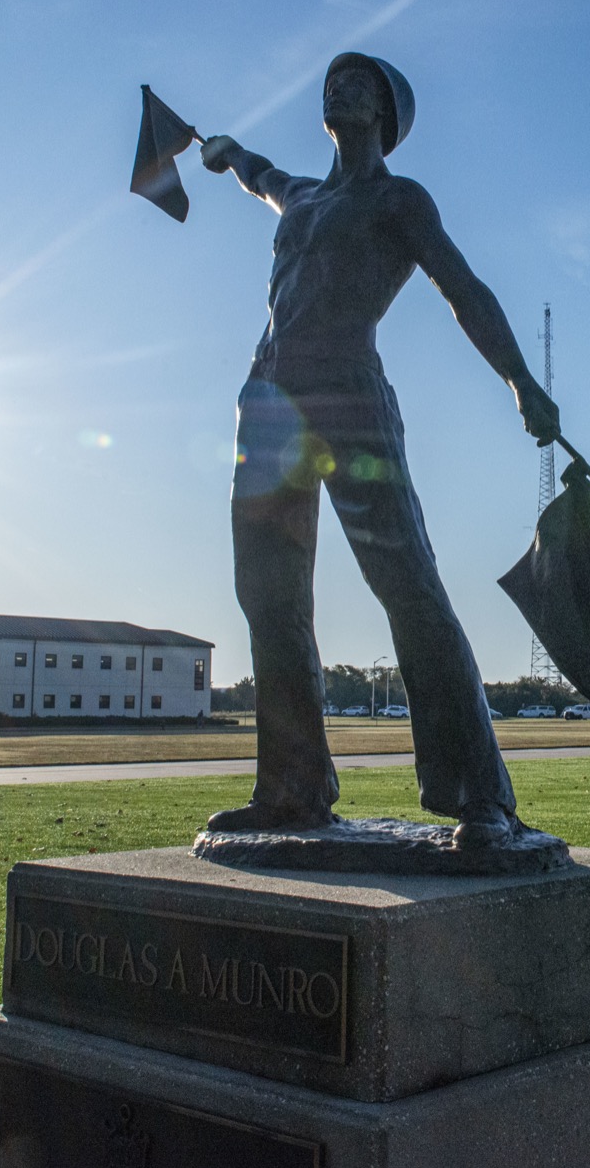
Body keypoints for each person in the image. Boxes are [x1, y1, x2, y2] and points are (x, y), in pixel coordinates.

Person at [196, 54, 559, 849]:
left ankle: (480, 796)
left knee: (407, 583)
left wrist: (519, 382)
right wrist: (223, 152)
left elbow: (464, 289)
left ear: (386, 117)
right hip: (268, 402)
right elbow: (255, 172)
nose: (340, 90)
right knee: (269, 594)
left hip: (349, 394)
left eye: (360, 85)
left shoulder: (399, 200)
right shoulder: (300, 194)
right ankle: (292, 788)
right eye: (334, 81)